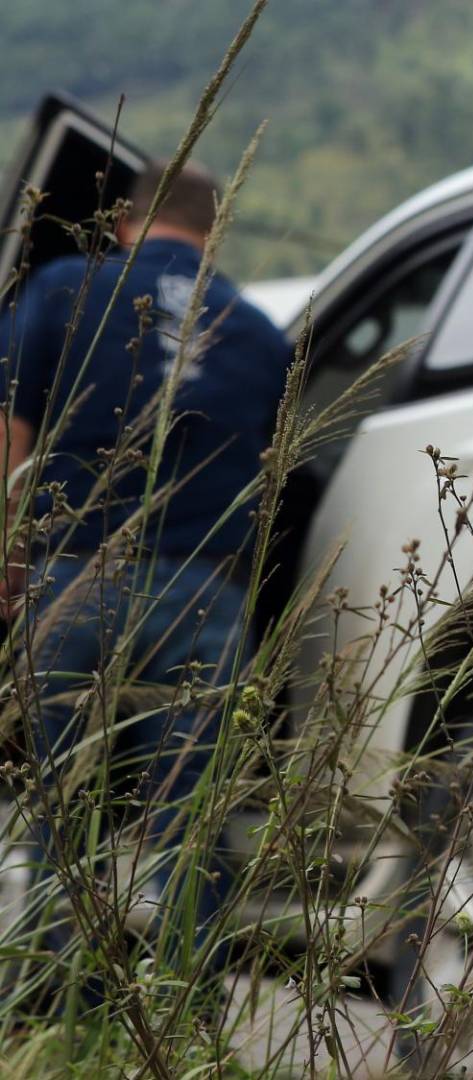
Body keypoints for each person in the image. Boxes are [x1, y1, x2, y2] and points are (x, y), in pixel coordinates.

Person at [0, 160, 291, 949]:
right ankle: (183, 1017)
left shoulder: (64, 287)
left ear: (125, 222)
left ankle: (56, 1002)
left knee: (62, 806)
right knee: (191, 822)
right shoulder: (262, 334)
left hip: (74, 580)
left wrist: (9, 560)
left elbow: (12, 437)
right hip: (205, 595)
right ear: (212, 232)